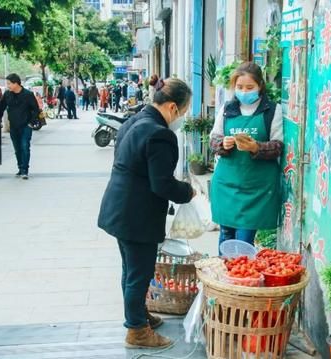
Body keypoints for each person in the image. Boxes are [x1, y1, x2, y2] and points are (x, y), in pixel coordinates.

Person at [98, 78, 195, 349]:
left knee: (131, 270)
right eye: (185, 111)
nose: (183, 118)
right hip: (136, 213)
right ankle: (137, 331)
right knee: (139, 274)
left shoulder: (135, 120)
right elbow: (162, 183)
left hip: (120, 207)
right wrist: (188, 192)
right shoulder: (159, 133)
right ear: (173, 107)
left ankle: (138, 316)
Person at [209, 62, 283, 253]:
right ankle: (222, 279)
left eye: (249, 87)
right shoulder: (227, 109)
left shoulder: (272, 111)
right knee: (225, 234)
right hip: (227, 184)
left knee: (244, 239)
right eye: (239, 87)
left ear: (260, 86)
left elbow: (278, 147)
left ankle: (240, 279)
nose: (244, 91)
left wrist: (255, 147)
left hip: (256, 188)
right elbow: (213, 139)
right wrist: (222, 144)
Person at [1, 73, 40, 180]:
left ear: (16, 83)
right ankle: (20, 168)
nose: (7, 86)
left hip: (26, 126)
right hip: (13, 127)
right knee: (17, 149)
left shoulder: (28, 94)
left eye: (9, 83)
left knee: (25, 147)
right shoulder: (7, 95)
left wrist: (31, 122)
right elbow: (1, 108)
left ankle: (24, 170)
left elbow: (36, 110)